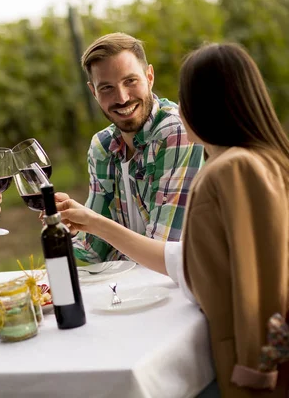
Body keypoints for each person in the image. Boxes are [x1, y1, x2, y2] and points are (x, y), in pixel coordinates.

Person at [58, 43, 289, 396]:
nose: (177, 109)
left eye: (184, 99)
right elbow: (200, 264)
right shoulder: (258, 160)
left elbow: (248, 288)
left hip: (257, 368)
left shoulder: (231, 170)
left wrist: (255, 378)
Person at [60, 32, 203, 264]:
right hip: (135, 289)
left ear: (149, 76)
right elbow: (94, 251)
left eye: (130, 81)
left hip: (184, 287)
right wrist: (72, 224)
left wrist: (96, 224)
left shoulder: (176, 132)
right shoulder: (102, 147)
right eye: (106, 87)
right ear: (93, 92)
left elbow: (163, 249)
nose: (122, 97)